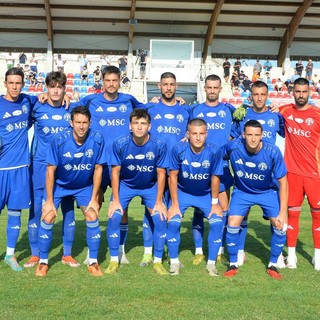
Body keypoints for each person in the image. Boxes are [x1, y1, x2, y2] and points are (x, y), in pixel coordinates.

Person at [72, 65, 145, 264]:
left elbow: (149, 110)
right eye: (108, 80)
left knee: (121, 206)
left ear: (120, 80)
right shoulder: (90, 101)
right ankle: (91, 252)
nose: (111, 84)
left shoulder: (129, 101)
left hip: (121, 163)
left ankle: (121, 251)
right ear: (102, 81)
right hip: (98, 162)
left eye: (115, 80)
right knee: (93, 202)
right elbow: (71, 107)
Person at [35, 106, 106, 277]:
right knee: (48, 215)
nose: (81, 126)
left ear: (90, 123)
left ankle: (94, 262)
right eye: (78, 123)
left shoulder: (97, 139)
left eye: (85, 123)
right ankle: (43, 262)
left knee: (92, 215)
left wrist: (95, 198)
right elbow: (50, 170)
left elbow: (98, 169)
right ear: (71, 123)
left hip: (83, 186)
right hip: (59, 185)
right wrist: (50, 200)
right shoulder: (59, 140)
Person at [24, 71, 77, 269]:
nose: (55, 90)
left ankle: (68, 254)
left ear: (65, 88)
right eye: (52, 86)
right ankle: (35, 254)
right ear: (46, 87)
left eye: (59, 87)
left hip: (65, 167)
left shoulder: (72, 108)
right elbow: (17, 99)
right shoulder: (36, 105)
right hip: (40, 165)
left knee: (67, 208)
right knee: (37, 207)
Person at [106, 108, 168, 275]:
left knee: (160, 218)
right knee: (114, 217)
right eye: (135, 123)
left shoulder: (159, 144)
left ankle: (157, 261)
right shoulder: (120, 144)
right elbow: (115, 172)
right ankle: (114, 260)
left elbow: (161, 174)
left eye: (143, 123)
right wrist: (116, 201)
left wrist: (159, 201)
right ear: (130, 126)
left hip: (150, 186)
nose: (139, 127)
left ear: (150, 126)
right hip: (126, 185)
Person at [224, 120, 288, 280]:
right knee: (232, 224)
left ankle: (273, 264)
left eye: (256, 135)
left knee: (280, 226)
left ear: (262, 135)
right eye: (249, 135)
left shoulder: (272, 152)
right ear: (243, 135)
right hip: (242, 192)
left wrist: (283, 212)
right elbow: (217, 155)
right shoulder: (233, 147)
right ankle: (233, 263)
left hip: (267, 192)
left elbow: (283, 181)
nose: (253, 139)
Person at [231, 80, 285, 267]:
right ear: (251, 96)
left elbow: (289, 134)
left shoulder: (275, 116)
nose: (259, 98)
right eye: (256, 94)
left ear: (267, 95)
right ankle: (239, 252)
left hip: (269, 178)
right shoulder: (243, 114)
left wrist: (281, 111)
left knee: (275, 218)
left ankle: (276, 255)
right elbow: (232, 139)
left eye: (263, 94)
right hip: (246, 176)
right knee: (241, 216)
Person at [142, 72, 191, 266]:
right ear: (159, 86)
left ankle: (171, 252)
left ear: (176, 86)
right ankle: (148, 252)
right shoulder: (150, 108)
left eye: (171, 84)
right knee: (152, 209)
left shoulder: (185, 110)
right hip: (154, 169)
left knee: (173, 210)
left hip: (177, 170)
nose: (168, 88)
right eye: (165, 84)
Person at [167, 118, 224, 276]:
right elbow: (172, 177)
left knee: (217, 222)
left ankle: (211, 264)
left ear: (206, 134)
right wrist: (174, 204)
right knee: (173, 222)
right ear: (188, 134)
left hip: (205, 194)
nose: (198, 137)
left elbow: (215, 178)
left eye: (201, 134)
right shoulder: (178, 149)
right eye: (194, 134)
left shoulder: (214, 150)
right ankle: (174, 262)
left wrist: (214, 203)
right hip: (183, 193)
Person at [190, 74, 236, 266]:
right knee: (200, 209)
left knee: (223, 208)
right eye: (208, 87)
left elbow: (242, 127)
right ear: (205, 88)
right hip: (200, 166)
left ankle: (220, 250)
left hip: (222, 166)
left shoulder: (229, 110)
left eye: (215, 88)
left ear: (220, 89)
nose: (211, 91)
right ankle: (199, 250)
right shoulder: (195, 110)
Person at [278, 77, 320, 271]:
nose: (301, 95)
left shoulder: (318, 114)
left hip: (314, 174)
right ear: (292, 92)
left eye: (304, 91)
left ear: (309, 92)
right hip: (292, 173)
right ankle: (292, 256)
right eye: (298, 91)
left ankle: (317, 257)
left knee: (318, 216)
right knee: (292, 215)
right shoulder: (284, 112)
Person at [0, 67, 38, 271]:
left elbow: (44, 101)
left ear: (23, 84)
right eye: (11, 83)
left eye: (18, 83)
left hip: (21, 168)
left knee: (15, 214)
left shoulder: (27, 102)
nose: (14, 86)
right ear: (5, 83)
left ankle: (9, 255)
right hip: (0, 170)